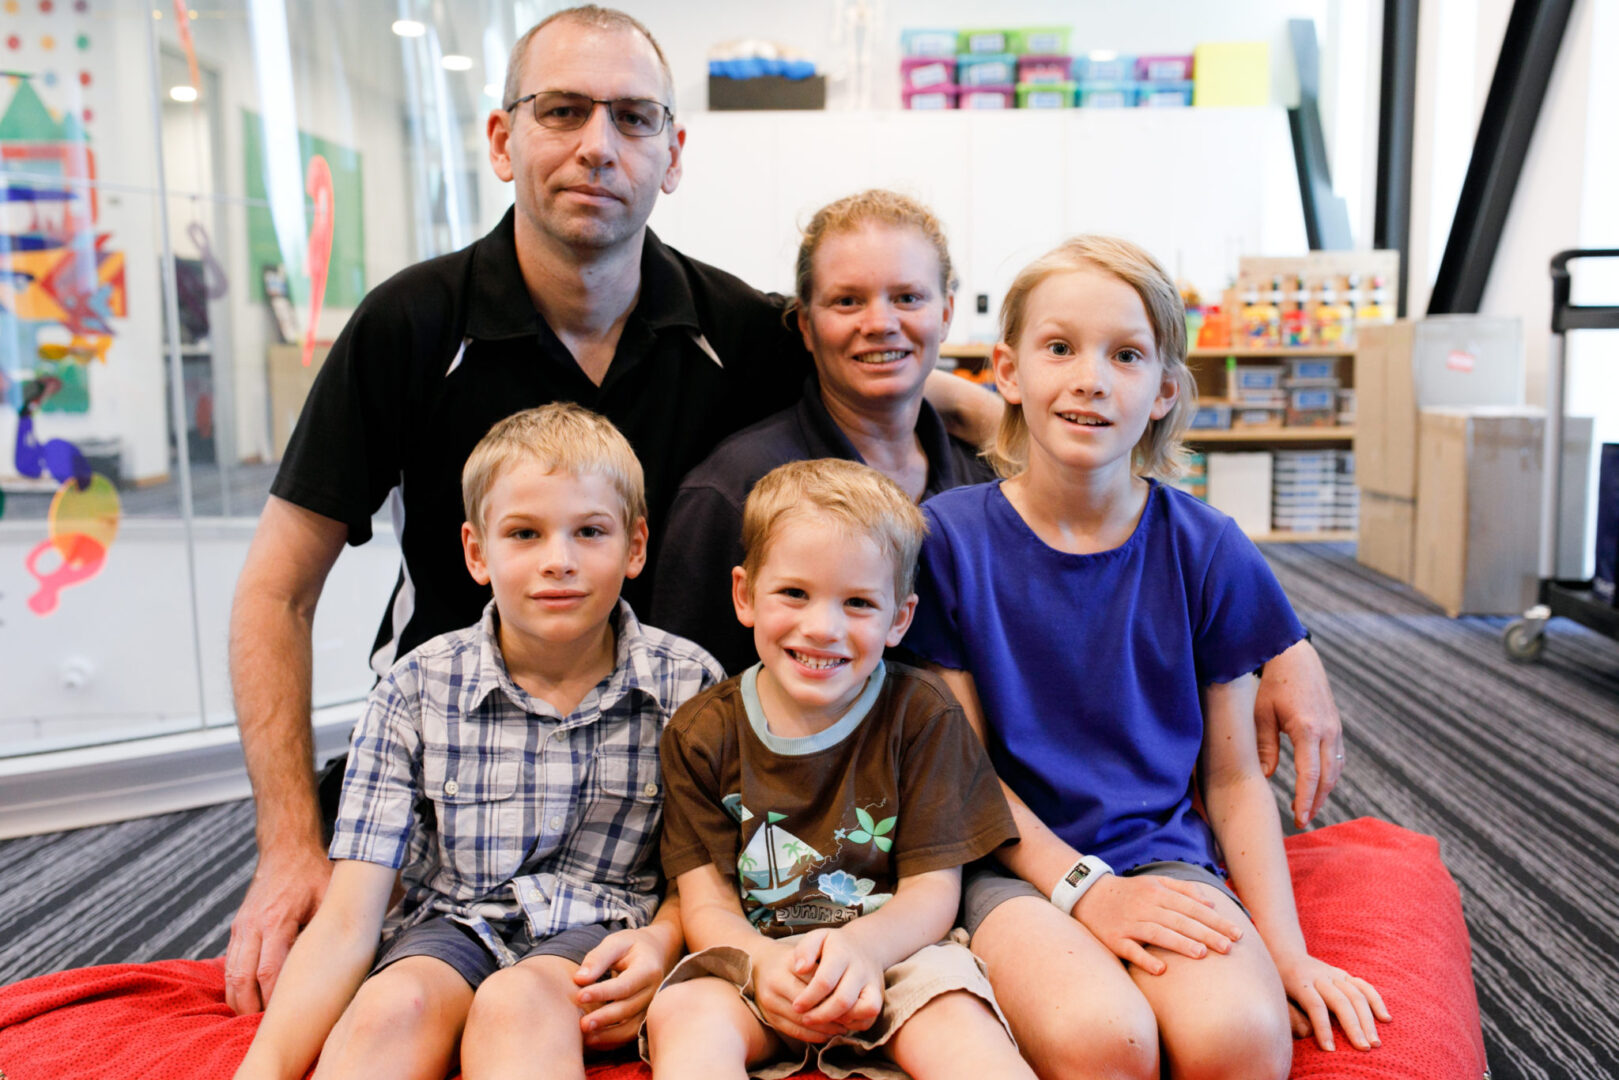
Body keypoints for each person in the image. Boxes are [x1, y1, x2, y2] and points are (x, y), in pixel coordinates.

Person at [224, 6, 1000, 1016]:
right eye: (562, 111)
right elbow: (277, 591)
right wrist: (287, 847)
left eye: (633, 119)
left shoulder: (736, 327)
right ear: (503, 140)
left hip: (656, 782)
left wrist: (993, 405)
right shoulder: (409, 326)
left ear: (672, 154)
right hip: (458, 777)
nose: (598, 146)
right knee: (340, 996)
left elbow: (864, 347)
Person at [903, 237, 1389, 1080]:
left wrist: (1288, 953)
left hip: (1161, 852)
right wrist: (1088, 889)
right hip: (1010, 866)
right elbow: (965, 774)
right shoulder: (947, 540)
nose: (1090, 377)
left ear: (1163, 390)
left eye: (1125, 355)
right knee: (1104, 1038)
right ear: (1007, 373)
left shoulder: (1208, 548)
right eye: (1060, 348)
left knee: (1239, 1036)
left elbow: (1234, 780)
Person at [232, 404, 724, 1080]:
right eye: (524, 533)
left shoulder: (689, 684)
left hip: (604, 927)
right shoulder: (414, 689)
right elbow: (349, 919)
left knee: (516, 1002)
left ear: (635, 546)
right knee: (389, 1007)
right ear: (476, 552)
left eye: (590, 532)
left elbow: (706, 870)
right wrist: (260, 1070)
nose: (559, 561)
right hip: (450, 926)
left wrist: (662, 944)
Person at [643, 460, 1032, 1080]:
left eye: (857, 603)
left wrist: (862, 950)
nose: (821, 628)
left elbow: (934, 890)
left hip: (898, 954)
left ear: (899, 618)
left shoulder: (923, 714)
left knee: (964, 1028)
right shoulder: (700, 732)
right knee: (685, 1016)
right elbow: (707, 904)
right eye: (794, 593)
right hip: (754, 961)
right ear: (745, 594)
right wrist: (759, 962)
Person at [651, 190, 992, 675]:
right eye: (847, 301)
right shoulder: (735, 491)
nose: (880, 323)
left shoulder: (984, 483)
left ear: (945, 313)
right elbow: (686, 695)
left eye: (908, 297)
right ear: (807, 326)